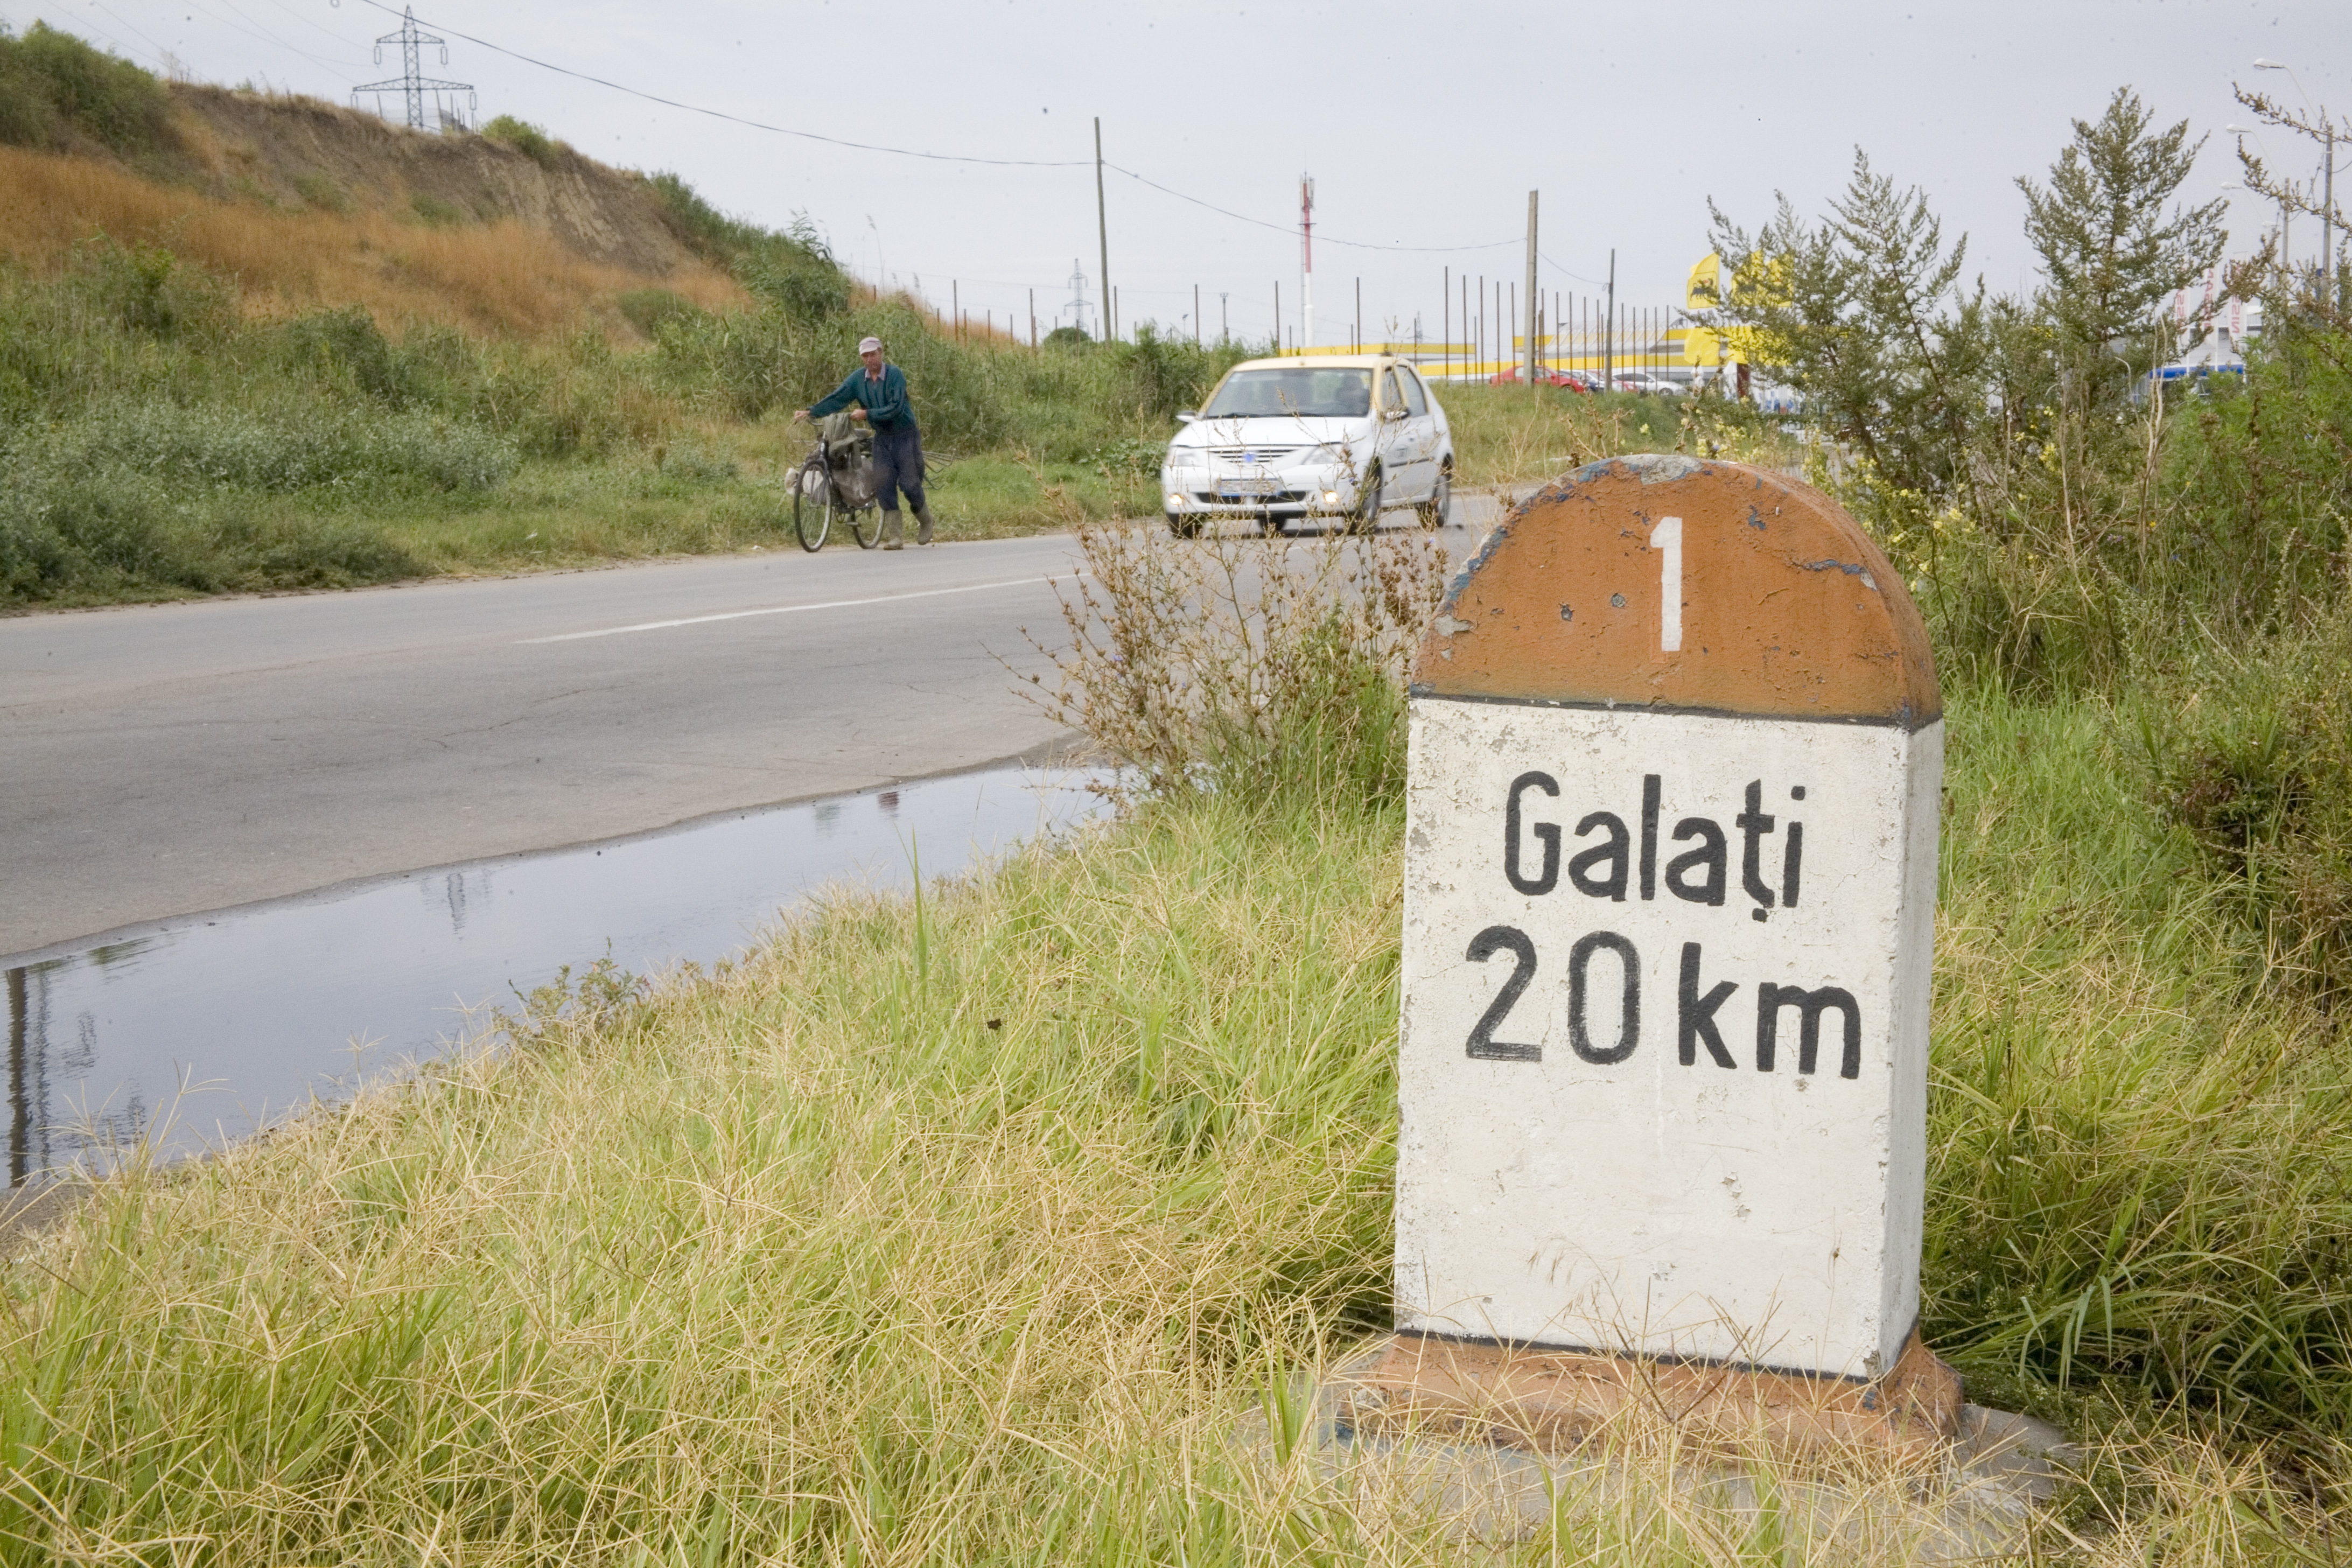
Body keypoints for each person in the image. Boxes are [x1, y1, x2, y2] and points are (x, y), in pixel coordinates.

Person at [794, 336, 937, 549]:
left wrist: (867, 414)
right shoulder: (858, 380)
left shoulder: (895, 375)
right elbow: (837, 398)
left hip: (905, 436)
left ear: (881, 353)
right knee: (883, 485)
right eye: (865, 356)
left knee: (910, 485)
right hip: (883, 438)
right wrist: (811, 411)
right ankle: (896, 537)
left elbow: (897, 407)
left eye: (873, 354)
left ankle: (925, 519)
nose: (870, 359)